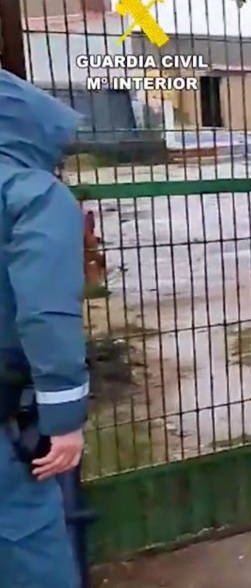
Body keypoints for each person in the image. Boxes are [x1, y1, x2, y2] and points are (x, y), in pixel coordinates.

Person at [0, 69, 89, 587]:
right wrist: (63, 416)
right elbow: (45, 310)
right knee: (33, 551)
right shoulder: (34, 194)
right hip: (7, 418)